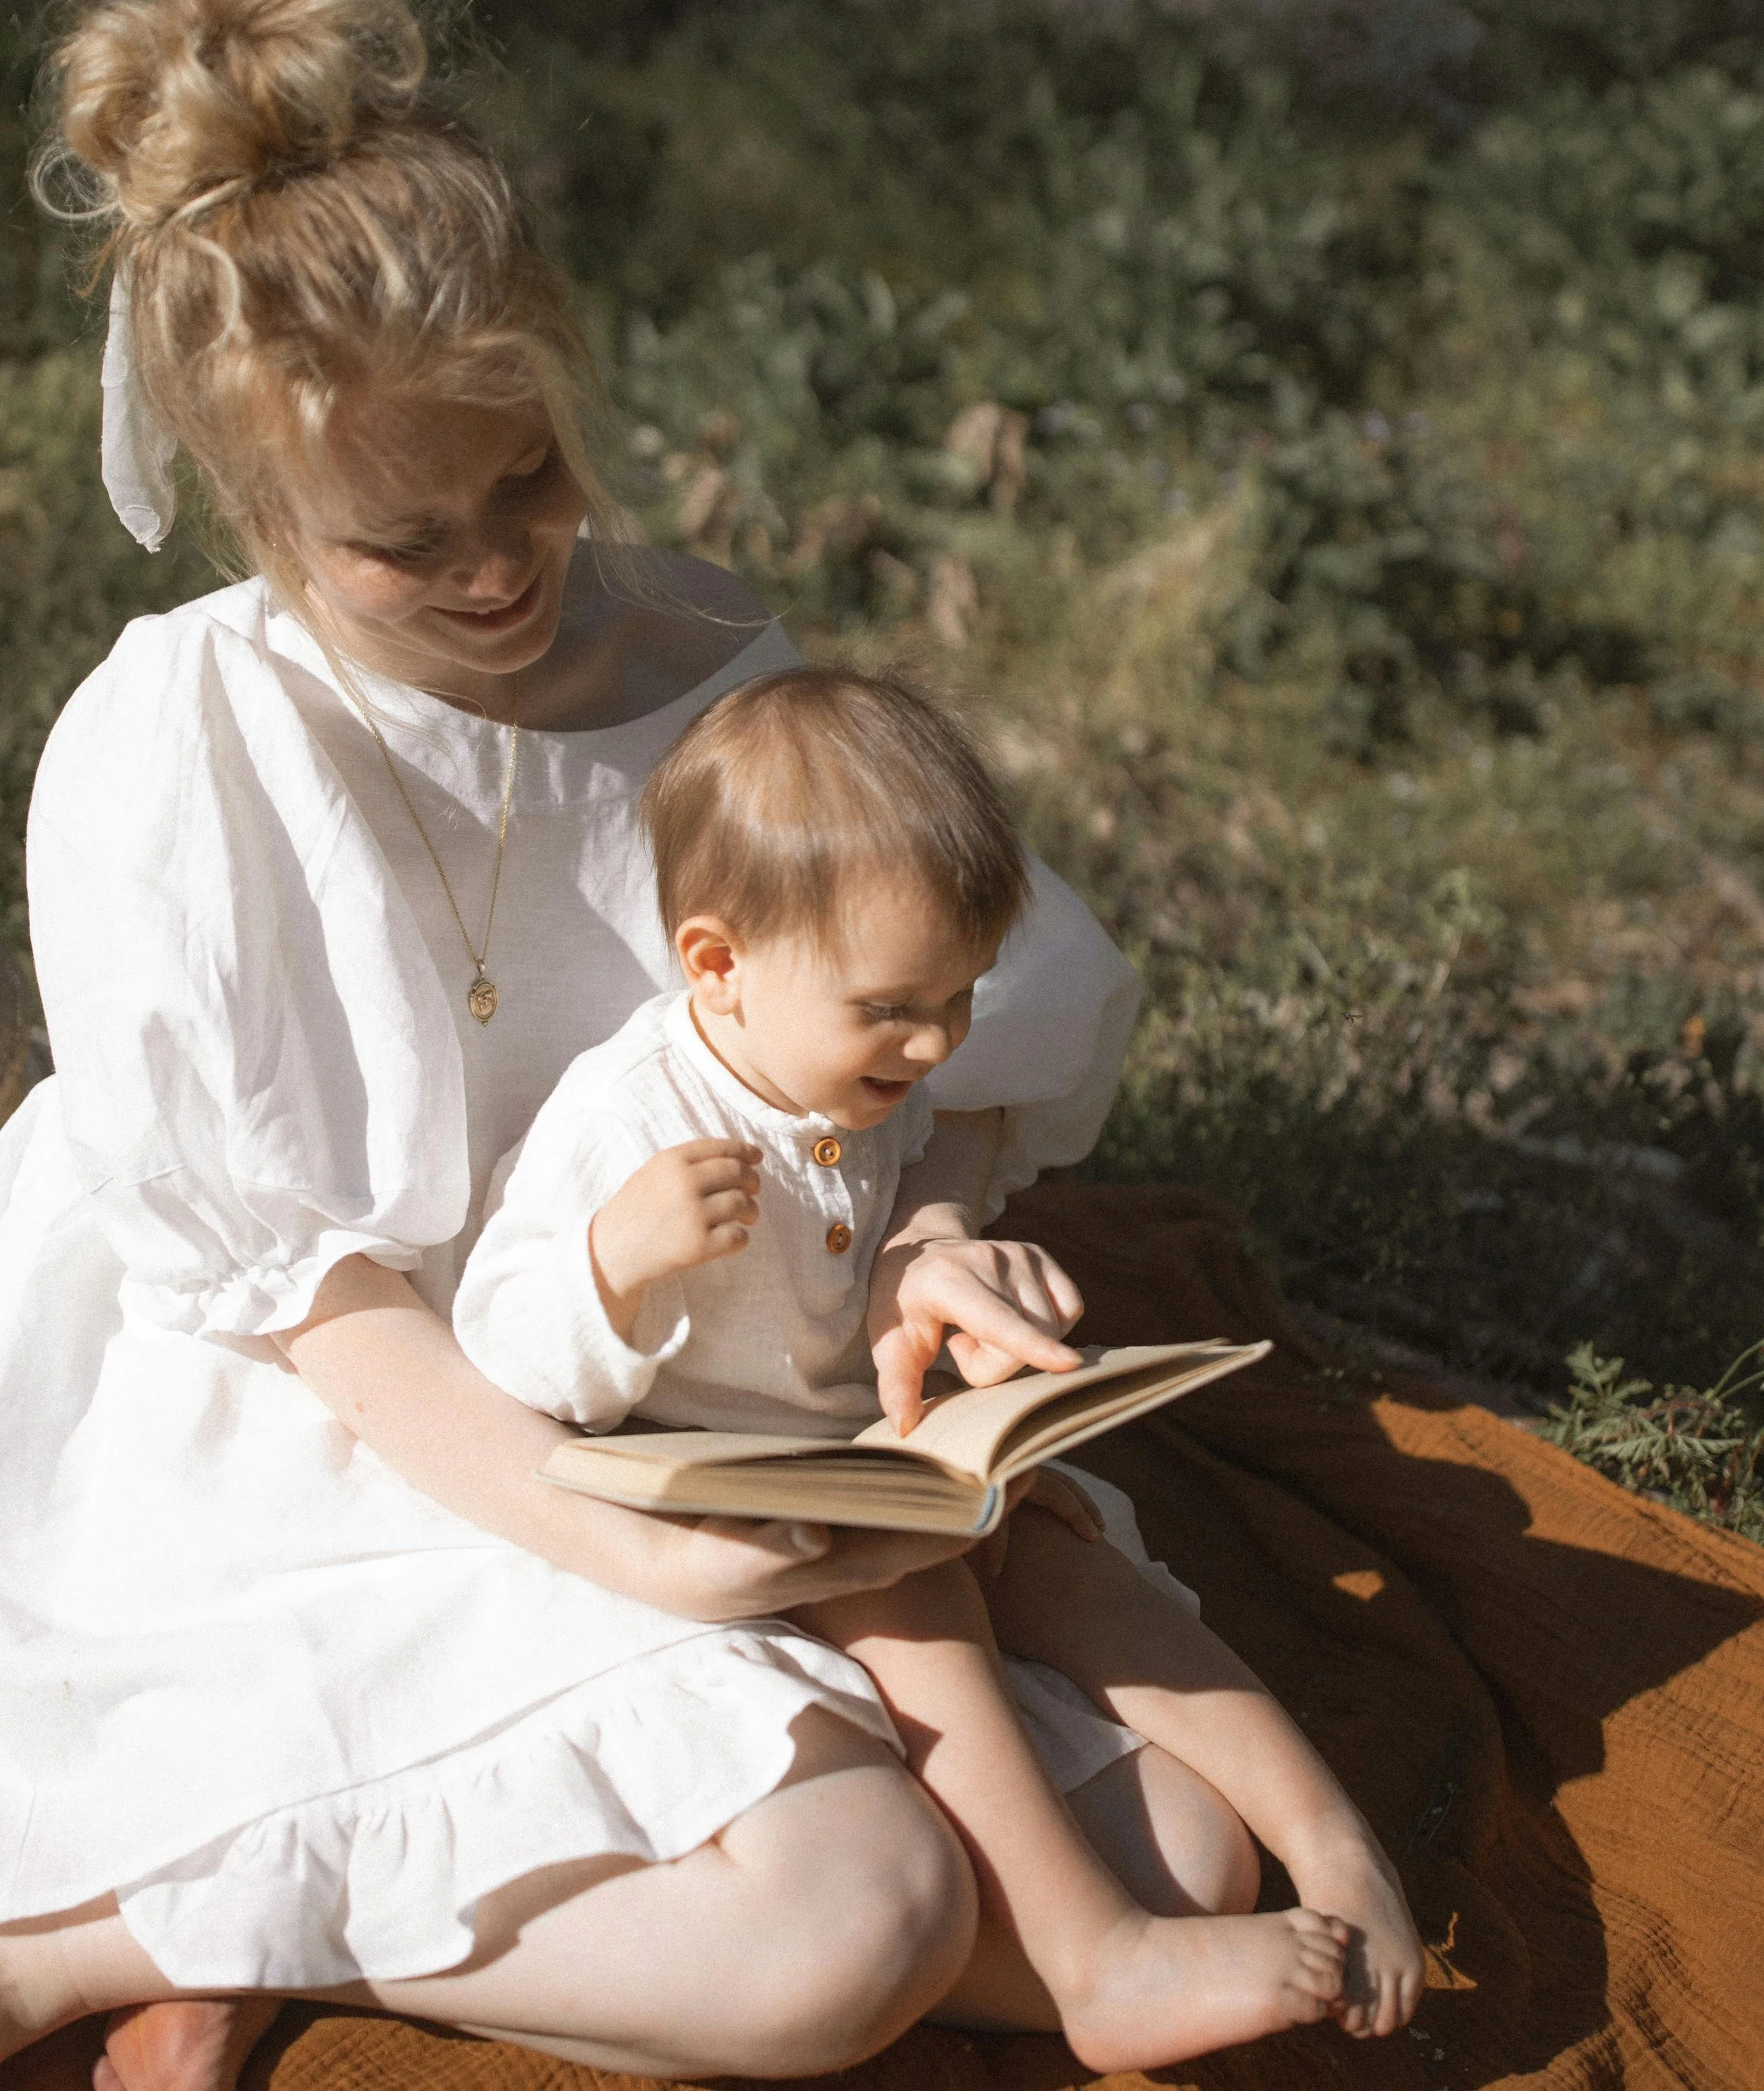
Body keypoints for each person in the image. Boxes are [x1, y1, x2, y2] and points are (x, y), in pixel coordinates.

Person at [0, 0, 1271, 2091]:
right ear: (254, 496)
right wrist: (612, 1543)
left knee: (1189, 1850)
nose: (500, 566)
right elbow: (314, 1299)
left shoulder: (704, 676)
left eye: (531, 479)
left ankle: (328, 1900)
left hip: (709, 1390)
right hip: (352, 1420)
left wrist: (928, 1227)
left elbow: (893, 1049)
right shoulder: (181, 749)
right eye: (404, 542)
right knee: (849, 1922)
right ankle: (120, 1927)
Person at [454, 666, 1425, 2070]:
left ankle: (1334, 1845)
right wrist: (610, 1262)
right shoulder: (631, 1118)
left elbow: (860, 1254)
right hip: (687, 1505)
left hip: (852, 1452)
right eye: (892, 1007)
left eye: (959, 997)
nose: (933, 1042)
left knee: (1058, 1543)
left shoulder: (842, 1072)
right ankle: (1093, 1954)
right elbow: (500, 1336)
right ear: (717, 964)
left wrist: (928, 1275)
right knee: (903, 1575)